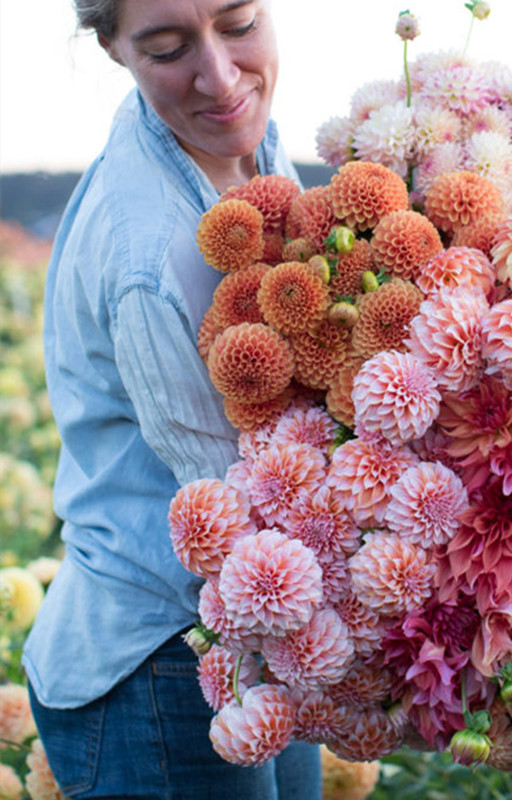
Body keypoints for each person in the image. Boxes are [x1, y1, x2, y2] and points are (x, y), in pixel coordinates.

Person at [22, 1, 321, 797]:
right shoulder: (154, 258)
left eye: (239, 22)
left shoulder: (227, 131)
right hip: (165, 667)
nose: (220, 77)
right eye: (165, 48)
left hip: (249, 628)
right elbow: (240, 508)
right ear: (112, 48)